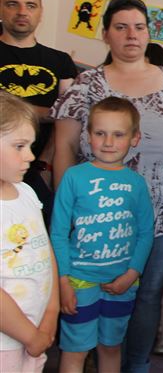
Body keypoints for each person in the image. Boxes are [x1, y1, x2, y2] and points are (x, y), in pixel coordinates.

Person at [51, 0, 163, 373]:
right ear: (106, 35)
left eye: (139, 27)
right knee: (93, 295)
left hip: (161, 216)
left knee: (147, 296)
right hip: (97, 215)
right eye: (121, 27)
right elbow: (64, 149)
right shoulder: (85, 85)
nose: (131, 35)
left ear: (149, 33)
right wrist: (68, 210)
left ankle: (136, 365)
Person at [50, 97, 155, 373]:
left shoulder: (136, 183)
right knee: (75, 350)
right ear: (88, 136)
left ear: (134, 138)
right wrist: (62, 281)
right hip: (78, 280)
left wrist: (131, 274)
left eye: (118, 134)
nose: (108, 142)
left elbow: (146, 233)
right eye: (100, 133)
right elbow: (58, 233)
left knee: (110, 347)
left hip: (121, 282)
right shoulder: (73, 177)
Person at [0, 0, 78, 224]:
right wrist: (48, 112)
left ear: (41, 12)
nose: (22, 12)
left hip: (39, 169)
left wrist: (45, 164)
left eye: (30, 5)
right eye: (13, 4)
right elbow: (58, 112)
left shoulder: (60, 61)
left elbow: (68, 118)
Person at [0, 92, 59, 373]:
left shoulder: (26, 192)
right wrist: (30, 336)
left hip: (35, 334)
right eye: (19, 146)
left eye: (31, 146)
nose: (31, 156)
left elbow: (45, 254)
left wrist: (50, 314)